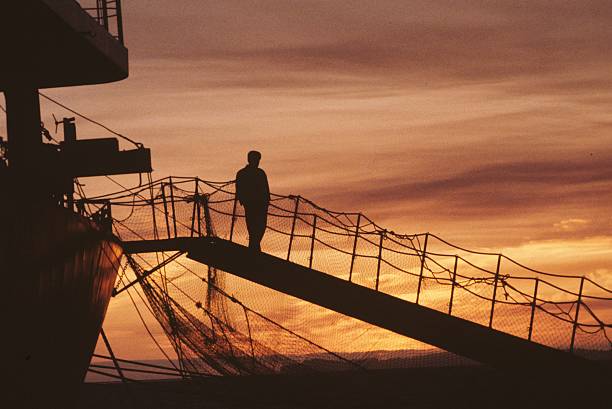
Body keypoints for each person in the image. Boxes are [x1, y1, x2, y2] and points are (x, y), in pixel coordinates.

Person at [235, 150, 270, 251]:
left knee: (260, 227)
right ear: (250, 159)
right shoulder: (243, 173)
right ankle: (254, 248)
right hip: (251, 204)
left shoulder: (259, 173)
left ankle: (254, 247)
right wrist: (243, 200)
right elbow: (239, 189)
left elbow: (266, 189)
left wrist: (267, 202)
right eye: (256, 159)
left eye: (258, 159)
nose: (257, 161)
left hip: (260, 205)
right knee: (254, 227)